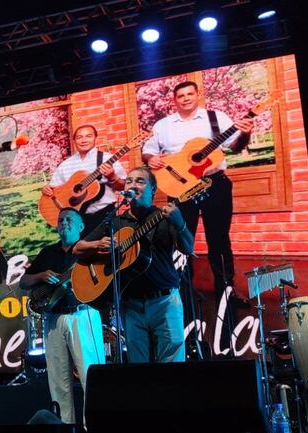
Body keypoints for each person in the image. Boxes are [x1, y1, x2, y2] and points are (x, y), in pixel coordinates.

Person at [142, 80, 254, 308]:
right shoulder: (163, 125)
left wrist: (245, 134)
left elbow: (236, 146)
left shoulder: (216, 118)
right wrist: (150, 159)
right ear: (174, 100)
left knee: (219, 239)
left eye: (189, 94)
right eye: (180, 95)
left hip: (215, 183)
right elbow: (148, 152)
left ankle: (227, 292)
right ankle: (183, 294)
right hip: (179, 187)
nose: (185, 98)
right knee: (182, 239)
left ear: (198, 95)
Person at [74, 167, 194, 363]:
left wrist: (179, 223)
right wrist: (98, 244)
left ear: (153, 190)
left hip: (164, 301)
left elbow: (188, 248)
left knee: (173, 367)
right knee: (138, 369)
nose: (132, 185)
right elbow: (78, 249)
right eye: (129, 181)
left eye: (140, 181)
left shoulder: (164, 216)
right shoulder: (116, 221)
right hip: (131, 306)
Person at [19, 209, 104, 425]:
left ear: (80, 226)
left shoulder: (89, 250)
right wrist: (42, 275)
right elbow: (24, 282)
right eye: (60, 220)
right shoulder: (48, 252)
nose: (63, 223)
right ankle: (65, 427)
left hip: (82, 315)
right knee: (58, 382)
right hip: (54, 319)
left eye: (69, 220)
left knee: (91, 378)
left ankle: (92, 426)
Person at [42, 125, 126, 236]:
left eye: (88, 136)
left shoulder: (106, 159)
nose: (84, 140)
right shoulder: (65, 165)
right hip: (77, 221)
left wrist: (112, 177)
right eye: (79, 137)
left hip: (105, 216)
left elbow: (123, 186)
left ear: (95, 138)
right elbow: (53, 189)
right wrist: (47, 190)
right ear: (74, 140)